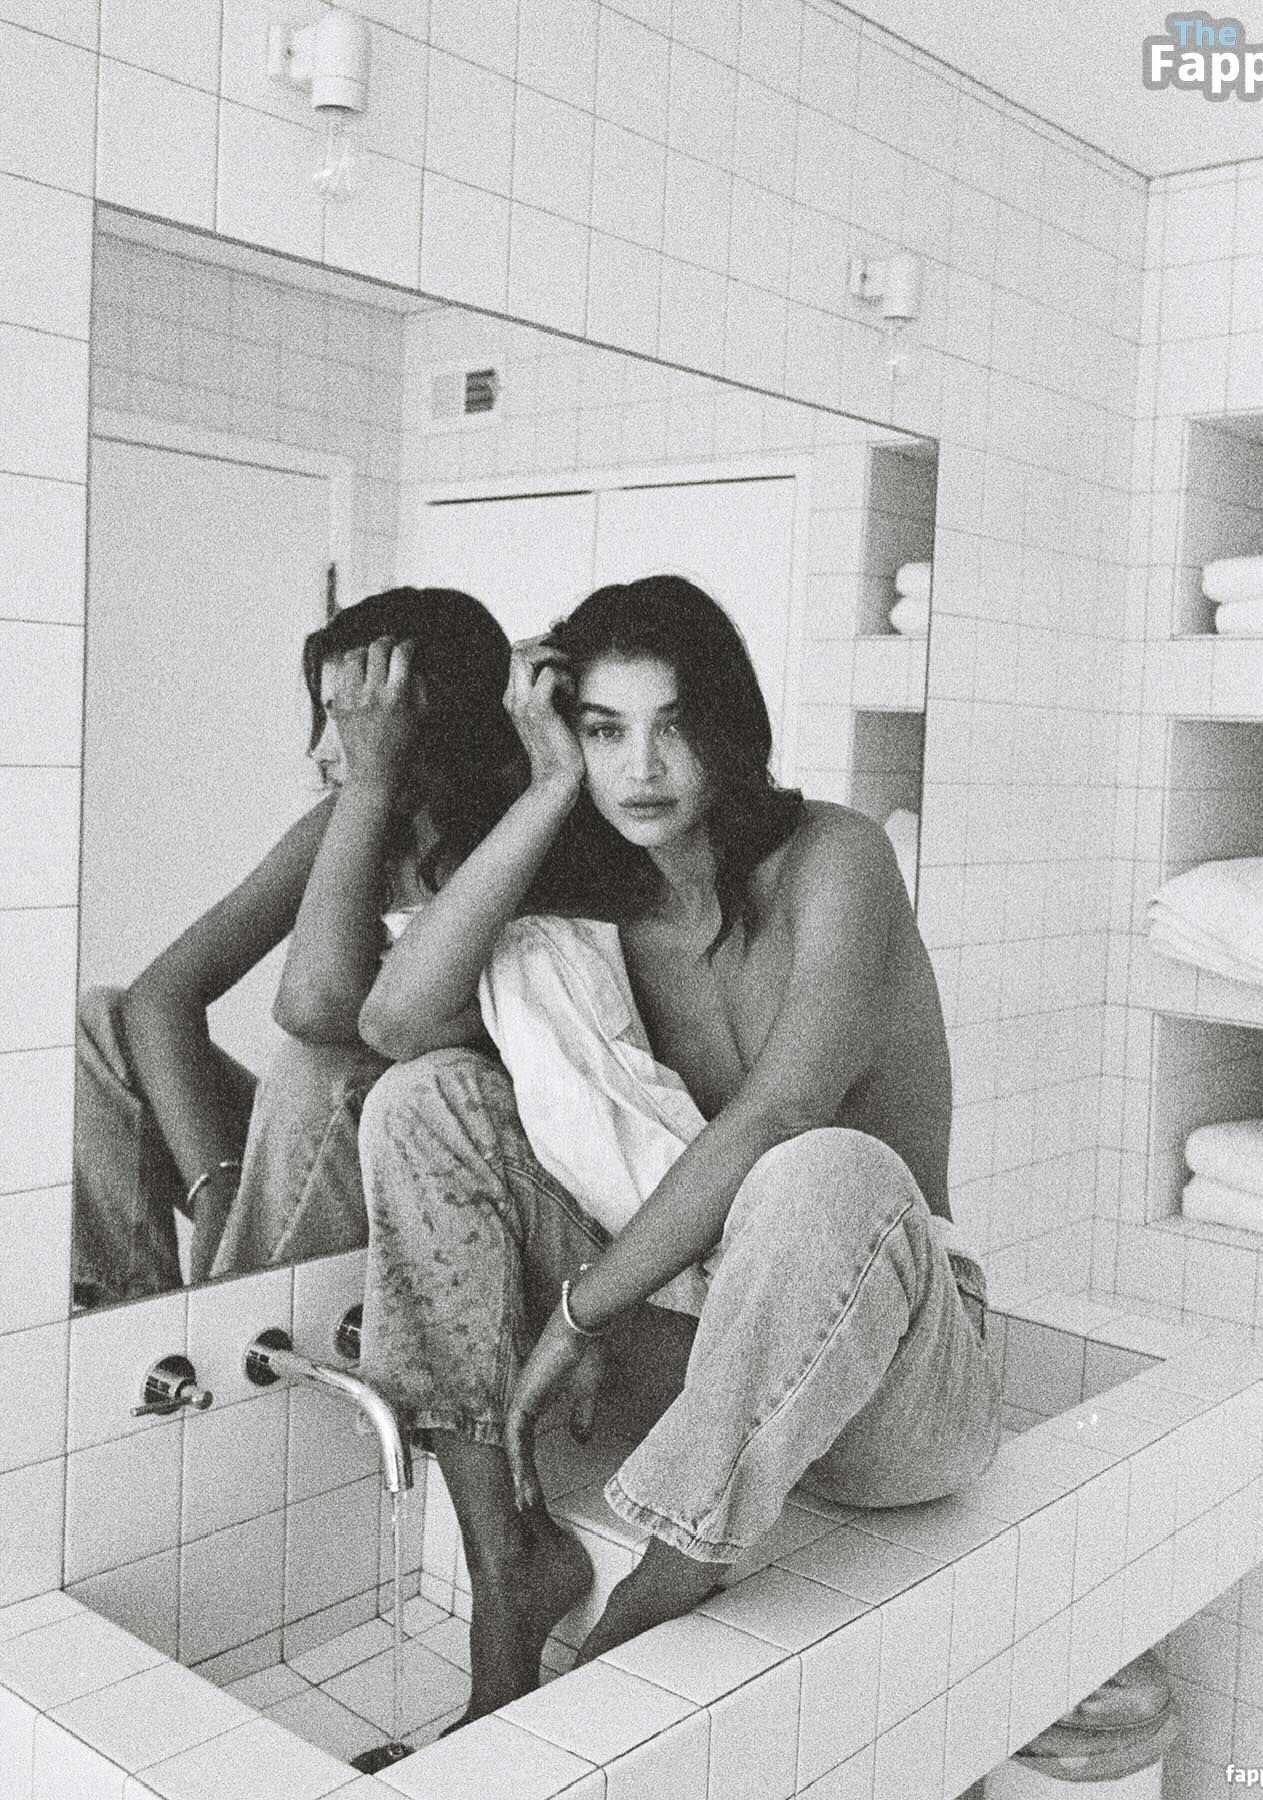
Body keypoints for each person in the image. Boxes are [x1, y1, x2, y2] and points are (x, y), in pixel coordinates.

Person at [356, 575, 999, 1726]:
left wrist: (579, 1314)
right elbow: (394, 1024)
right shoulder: (599, 910)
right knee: (423, 1099)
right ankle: (507, 1580)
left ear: (728, 728)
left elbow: (782, 1111)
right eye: (605, 732)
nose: (642, 768)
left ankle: (660, 1589)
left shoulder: (835, 859)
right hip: (721, 1346)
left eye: (674, 726)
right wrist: (547, 788)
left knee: (821, 1165)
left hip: (896, 1383)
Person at [72, 586, 523, 1307]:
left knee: (318, 1067)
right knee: (98, 1025)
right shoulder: (354, 823)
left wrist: (372, 778)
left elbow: (317, 1008)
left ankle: (226, 1323)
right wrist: (216, 1184)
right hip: (326, 1142)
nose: (321, 751)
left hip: (438, 1153)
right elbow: (159, 999)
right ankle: (132, 1316)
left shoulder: (511, 831)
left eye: (346, 718)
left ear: (422, 717)